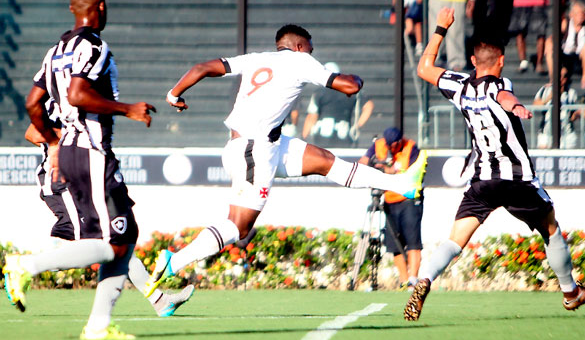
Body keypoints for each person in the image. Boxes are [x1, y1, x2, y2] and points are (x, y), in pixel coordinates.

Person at [143, 24, 427, 297]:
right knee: (239, 227)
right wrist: (360, 79)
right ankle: (174, 262)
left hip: (261, 144)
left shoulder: (256, 59)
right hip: (255, 151)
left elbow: (202, 68)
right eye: (311, 50)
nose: (312, 55)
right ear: (300, 47)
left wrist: (173, 94)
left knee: (325, 160)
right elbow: (349, 87)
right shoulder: (301, 61)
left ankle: (401, 184)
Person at [404, 7, 585, 322]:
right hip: (516, 180)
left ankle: (425, 278)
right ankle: (571, 292)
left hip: (482, 181)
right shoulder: (500, 83)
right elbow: (504, 97)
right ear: (500, 62)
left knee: (455, 240)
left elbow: (425, 67)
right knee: (551, 229)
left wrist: (441, 28)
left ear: (472, 62)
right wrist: (519, 106)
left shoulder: (460, 86)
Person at [3, 0, 156, 340]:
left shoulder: (55, 51)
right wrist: (127, 109)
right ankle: (26, 265)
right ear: (99, 7)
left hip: (70, 150)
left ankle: (99, 326)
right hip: (90, 151)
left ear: (73, 7)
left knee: (121, 237)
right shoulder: (95, 46)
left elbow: (31, 102)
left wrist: (54, 142)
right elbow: (77, 94)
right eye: (104, 3)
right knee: (117, 240)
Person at [23, 102, 194, 318]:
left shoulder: (79, 93)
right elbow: (32, 132)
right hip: (64, 181)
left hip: (92, 176)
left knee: (119, 240)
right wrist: (67, 141)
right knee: (100, 244)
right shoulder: (63, 95)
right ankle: (24, 267)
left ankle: (160, 301)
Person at [359, 127, 428, 290]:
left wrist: (386, 171)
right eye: (388, 145)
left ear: (399, 142)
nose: (390, 149)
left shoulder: (411, 148)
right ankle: (404, 281)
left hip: (409, 199)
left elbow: (409, 174)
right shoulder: (378, 145)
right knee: (394, 244)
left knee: (413, 242)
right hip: (389, 200)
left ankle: (413, 279)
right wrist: (367, 169)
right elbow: (364, 161)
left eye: (393, 145)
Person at [302, 62, 375, 148]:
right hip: (344, 136)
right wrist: (357, 126)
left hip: (322, 137)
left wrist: (304, 137)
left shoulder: (319, 93)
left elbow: (312, 116)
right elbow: (369, 106)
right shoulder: (350, 91)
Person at [544, 1, 585, 89]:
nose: (580, 16)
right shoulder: (566, 23)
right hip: (565, 56)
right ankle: (553, 80)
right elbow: (554, 37)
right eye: (577, 13)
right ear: (571, 14)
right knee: (549, 46)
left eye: (582, 13)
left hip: (580, 57)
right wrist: (550, 42)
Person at [533, 66, 579, 148]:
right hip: (546, 132)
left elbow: (575, 113)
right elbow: (535, 105)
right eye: (559, 75)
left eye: (564, 76)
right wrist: (549, 98)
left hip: (566, 134)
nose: (561, 79)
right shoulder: (545, 90)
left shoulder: (571, 93)